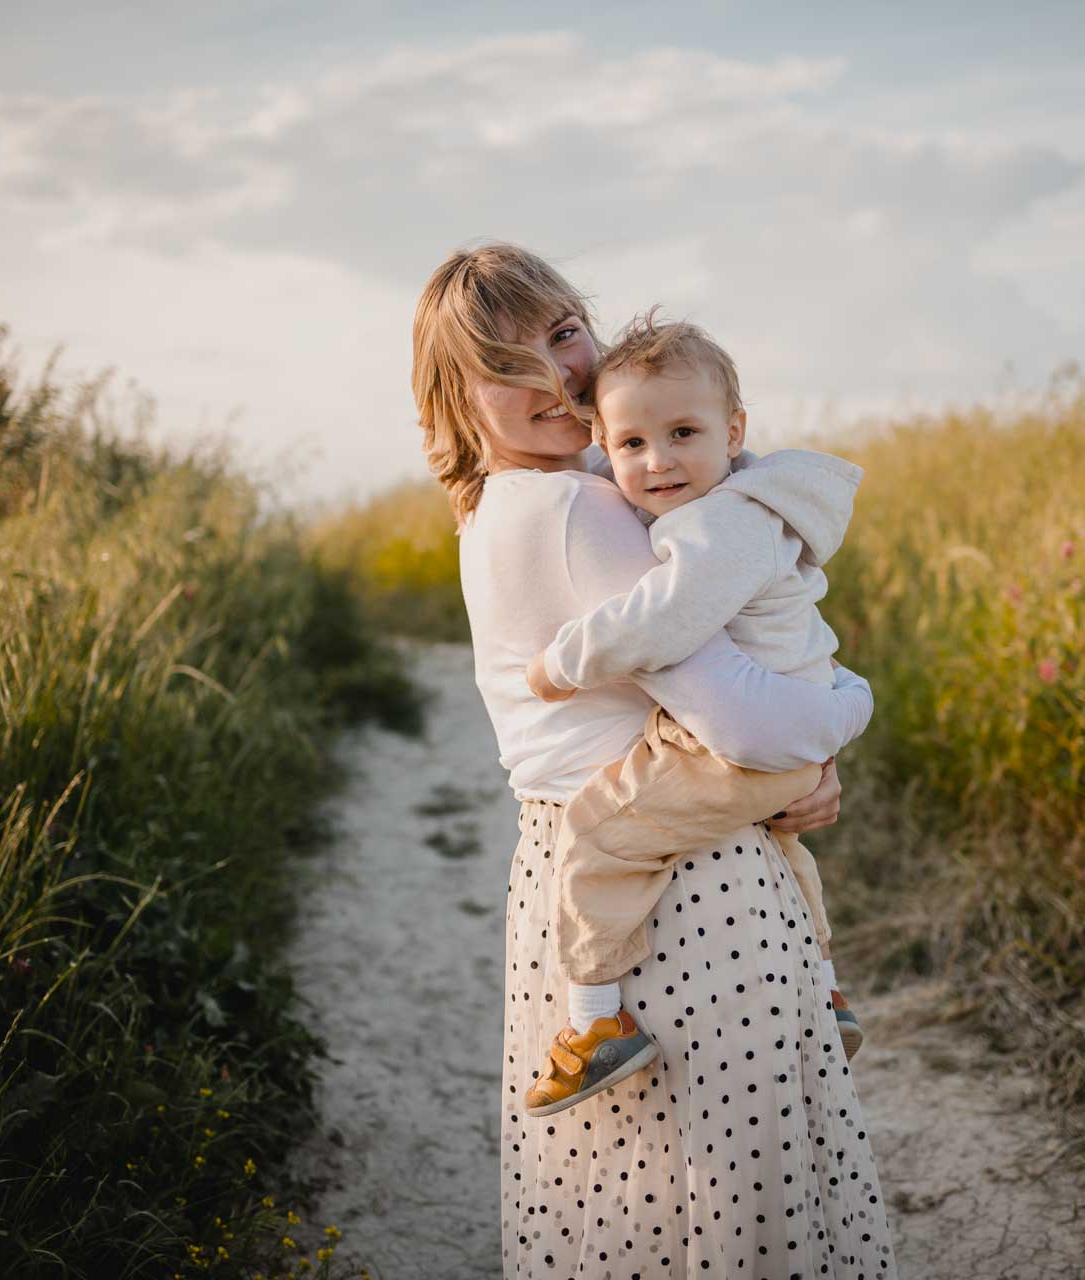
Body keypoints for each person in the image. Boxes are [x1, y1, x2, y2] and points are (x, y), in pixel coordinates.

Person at [413, 242, 896, 1276]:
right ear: (457, 399)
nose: (554, 374)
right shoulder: (584, 508)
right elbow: (744, 723)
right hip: (688, 891)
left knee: (626, 1191)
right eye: (508, 363)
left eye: (561, 334)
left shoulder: (504, 504)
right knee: (734, 1188)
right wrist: (826, 735)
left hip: (579, 871)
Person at [519, 311, 867, 1117]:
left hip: (733, 744)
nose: (659, 460)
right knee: (788, 853)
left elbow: (659, 621)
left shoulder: (726, 524)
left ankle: (594, 1022)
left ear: (734, 429)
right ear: (602, 446)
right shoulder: (730, 511)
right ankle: (826, 990)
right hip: (779, 721)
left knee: (600, 833)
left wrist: (560, 665)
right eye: (632, 445)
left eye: (683, 432)